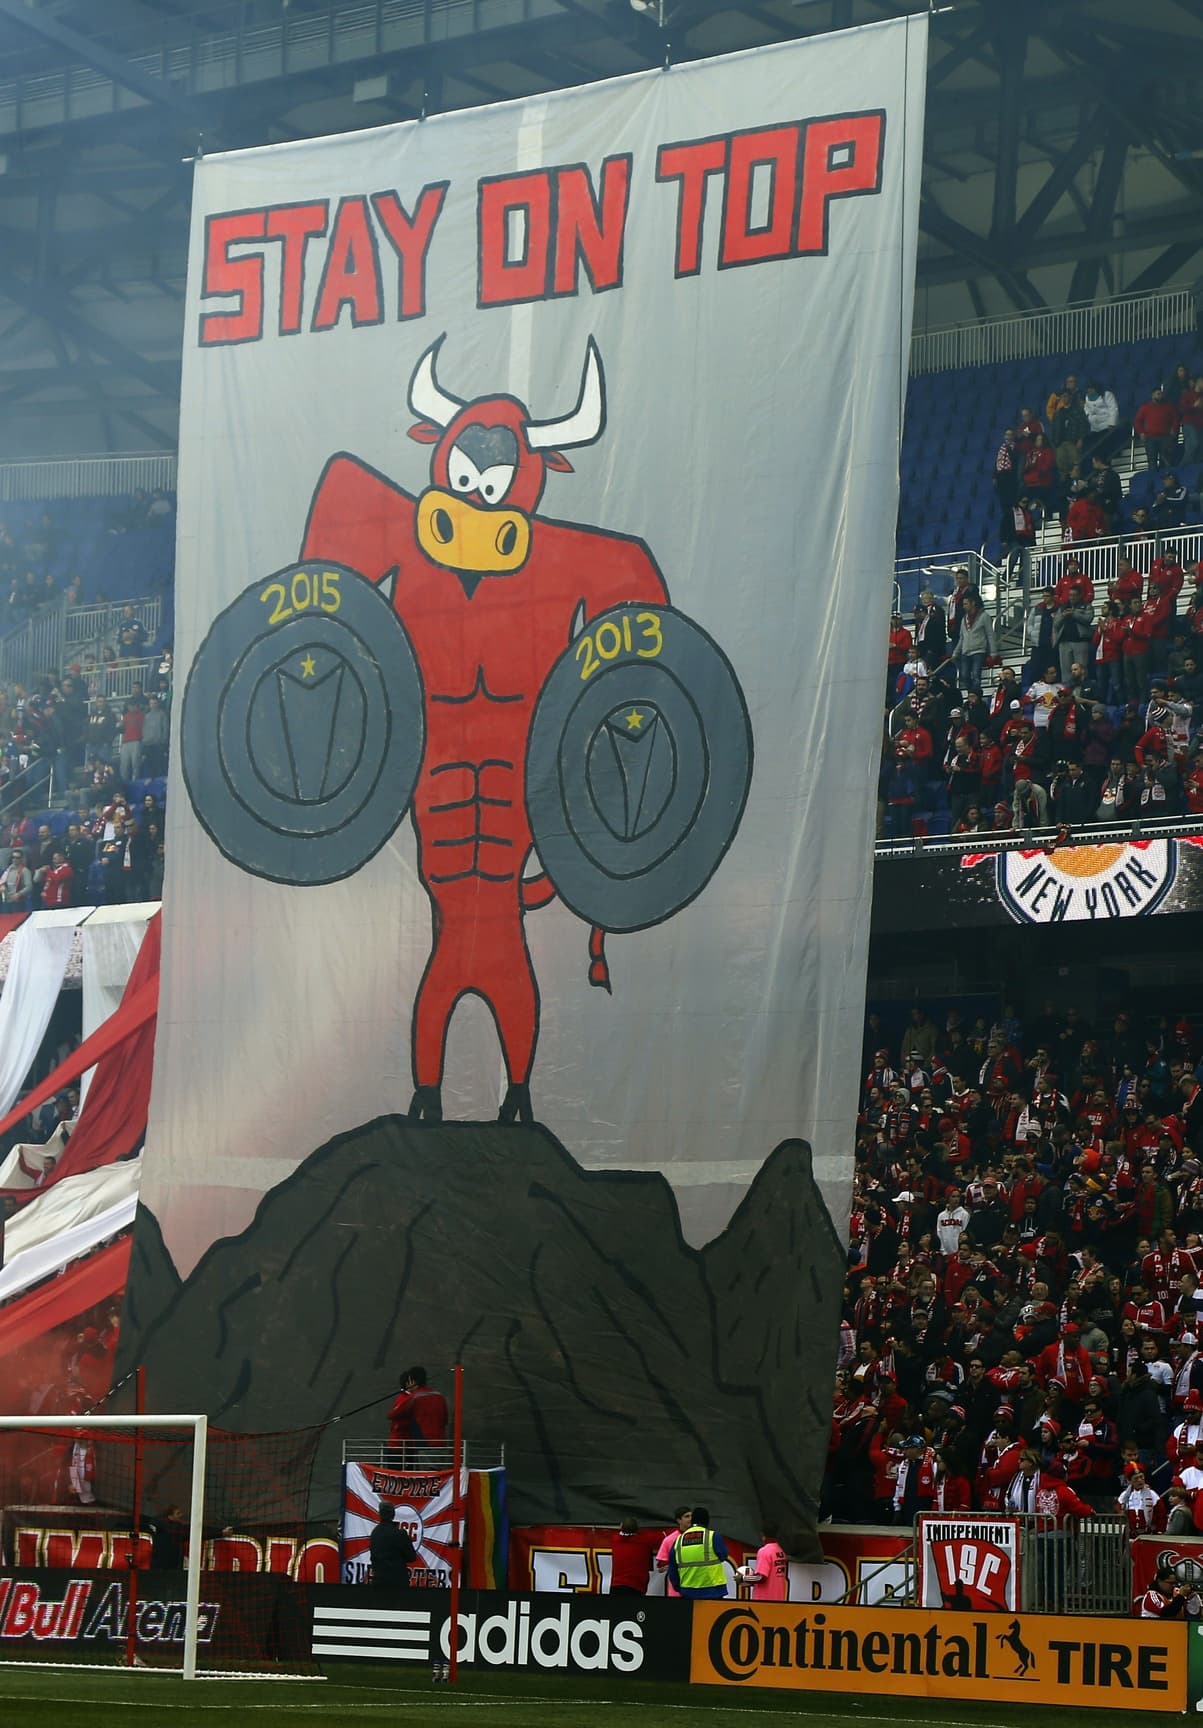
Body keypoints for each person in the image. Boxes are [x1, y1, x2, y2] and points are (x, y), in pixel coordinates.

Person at [668, 1506, 731, 1599]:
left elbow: (672, 1568)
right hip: (713, 1591)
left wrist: (679, 1588)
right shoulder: (712, 1536)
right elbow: (723, 1556)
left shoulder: (679, 1540)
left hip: (687, 1591)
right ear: (707, 1521)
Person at [388, 1365, 449, 1445]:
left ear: (412, 1381)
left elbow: (393, 1415)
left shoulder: (415, 1397)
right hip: (441, 1442)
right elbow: (445, 1419)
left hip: (424, 1443)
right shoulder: (439, 1396)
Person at [369, 1502, 417, 1589]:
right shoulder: (399, 1534)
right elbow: (412, 1557)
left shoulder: (375, 1533)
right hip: (397, 1584)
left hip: (378, 1582)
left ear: (380, 1514)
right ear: (393, 1514)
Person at [739, 1519, 789, 1601]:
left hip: (764, 1601)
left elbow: (761, 1578)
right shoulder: (781, 1551)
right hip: (779, 1599)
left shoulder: (764, 1551)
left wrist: (743, 1578)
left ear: (763, 1535)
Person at [609, 1518, 660, 1595]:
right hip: (637, 1586)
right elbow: (664, 1536)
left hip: (616, 1585)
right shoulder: (646, 1540)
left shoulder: (615, 1539)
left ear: (620, 1527)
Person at [1134, 386, 1180, 471]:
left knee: (1167, 462)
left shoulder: (1169, 406)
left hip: (1165, 437)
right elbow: (1138, 421)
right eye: (1158, 394)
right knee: (1152, 462)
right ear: (1152, 395)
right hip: (1150, 438)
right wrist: (1141, 432)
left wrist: (1174, 429)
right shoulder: (1145, 407)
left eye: (1161, 394)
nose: (1160, 396)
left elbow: (1176, 419)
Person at [654, 1505, 692, 1598]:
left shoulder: (700, 1537)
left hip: (695, 1589)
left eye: (692, 1516)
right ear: (679, 1520)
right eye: (687, 1516)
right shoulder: (669, 1540)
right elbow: (661, 1565)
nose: (691, 1519)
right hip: (676, 1592)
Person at [146, 1505, 185, 1569]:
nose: (181, 1515)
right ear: (170, 1517)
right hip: (161, 1563)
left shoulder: (180, 1529)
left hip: (174, 1563)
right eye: (178, 1513)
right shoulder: (160, 1527)